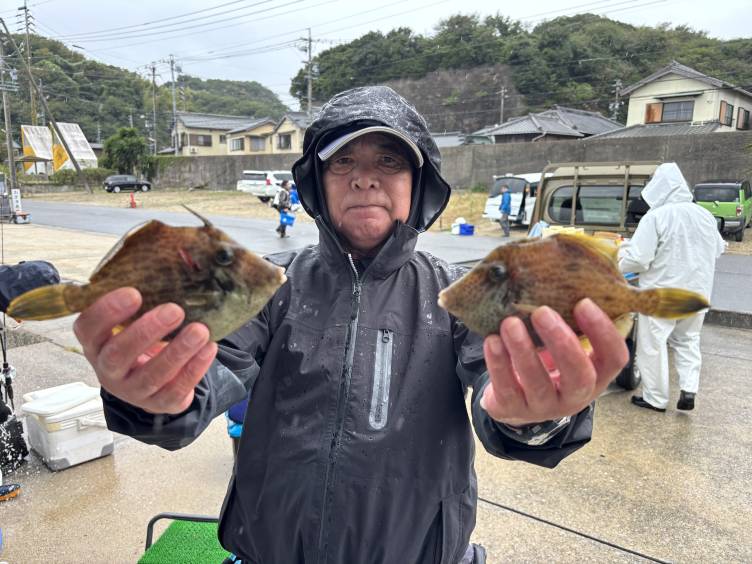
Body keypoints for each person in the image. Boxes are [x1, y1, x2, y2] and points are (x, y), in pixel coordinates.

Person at [72, 86, 628, 563]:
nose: (364, 179)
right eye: (342, 162)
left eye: (389, 161)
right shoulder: (266, 286)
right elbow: (207, 376)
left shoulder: (460, 294)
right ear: (317, 183)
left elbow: (498, 386)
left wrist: (535, 416)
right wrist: (153, 397)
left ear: (419, 185)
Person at [618, 162, 726, 412]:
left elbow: (639, 259)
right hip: (697, 293)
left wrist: (614, 262)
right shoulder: (704, 215)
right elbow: (719, 249)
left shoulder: (656, 216)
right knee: (688, 340)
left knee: (652, 346)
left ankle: (655, 398)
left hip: (661, 295)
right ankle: (689, 390)